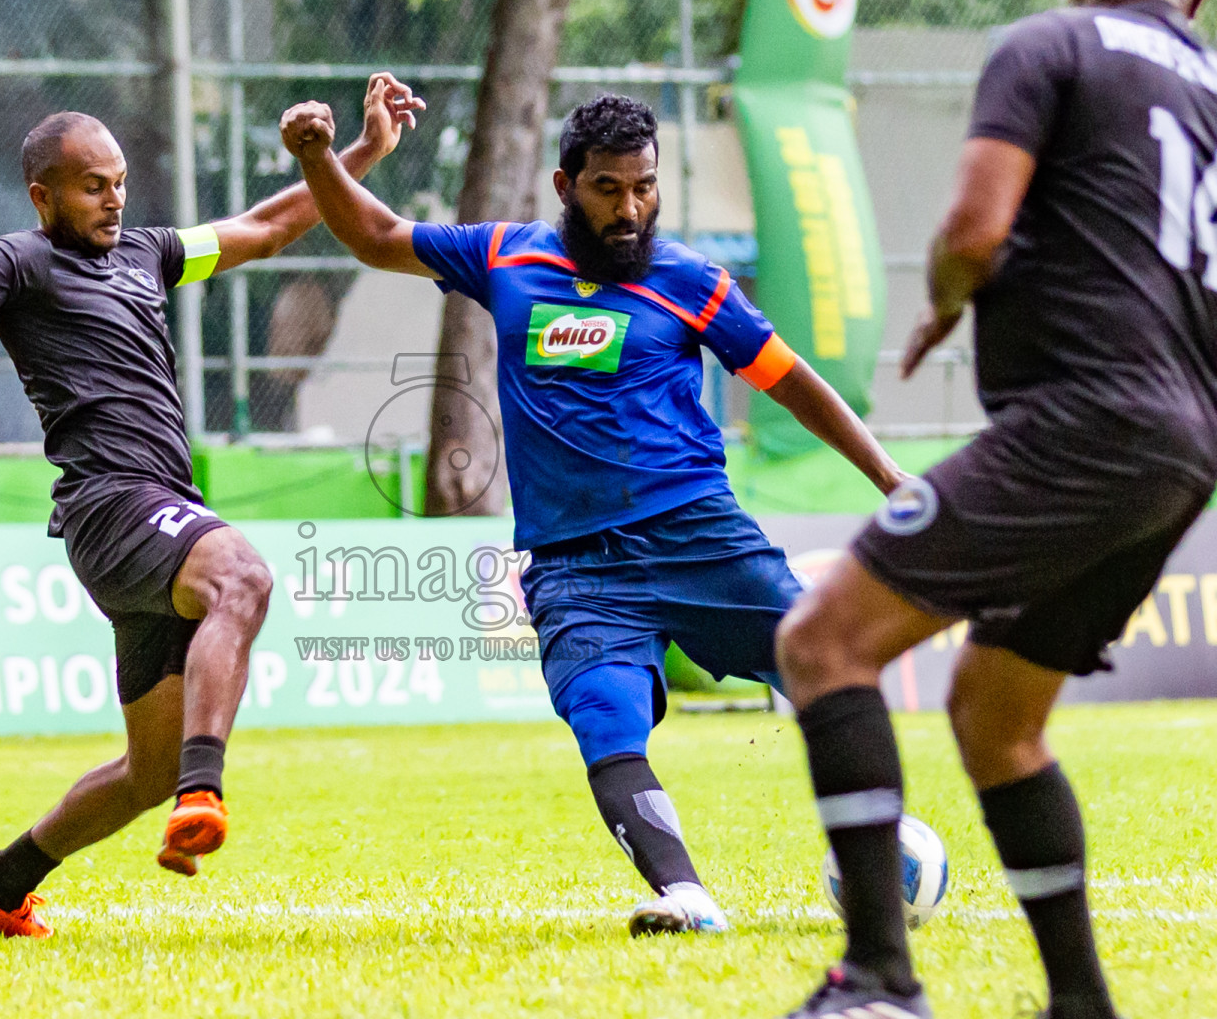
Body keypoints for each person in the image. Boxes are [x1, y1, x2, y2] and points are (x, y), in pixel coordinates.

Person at [0, 75, 427, 940]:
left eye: (119, 183)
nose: (112, 200)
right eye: (91, 186)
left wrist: (349, 153)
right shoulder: (17, 264)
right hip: (112, 506)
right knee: (242, 579)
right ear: (44, 195)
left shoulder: (148, 252)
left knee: (141, 774)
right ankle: (204, 789)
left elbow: (265, 227)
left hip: (155, 511)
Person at [279, 92, 906, 937]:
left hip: (698, 535)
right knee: (605, 723)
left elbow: (792, 383)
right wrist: (321, 155)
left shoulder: (690, 280)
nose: (630, 208)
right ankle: (686, 896)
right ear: (565, 185)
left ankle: (885, 840)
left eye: (644, 187)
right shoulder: (504, 257)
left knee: (823, 661)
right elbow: (377, 237)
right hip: (577, 565)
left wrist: (889, 476)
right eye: (608, 188)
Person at [771, 0, 1215, 1017]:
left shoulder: (1048, 45)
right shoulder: (1206, 89)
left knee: (823, 642)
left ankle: (878, 974)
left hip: (1085, 421)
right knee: (996, 715)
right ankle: (1080, 1001)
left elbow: (975, 228)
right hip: (1185, 447)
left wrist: (944, 299)